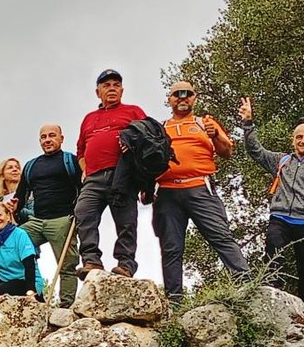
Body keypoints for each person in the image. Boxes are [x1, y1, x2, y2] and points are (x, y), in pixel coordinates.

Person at [238, 97, 304, 321]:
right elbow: (255, 150)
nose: (303, 140)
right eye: (299, 137)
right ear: (293, 140)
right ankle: (269, 316)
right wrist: (248, 123)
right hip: (280, 218)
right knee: (273, 263)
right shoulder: (281, 161)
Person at [153, 81, 249, 299]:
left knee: (221, 236)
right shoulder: (160, 128)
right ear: (170, 99)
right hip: (167, 191)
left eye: (187, 94)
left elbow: (226, 152)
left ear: (194, 98)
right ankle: (174, 302)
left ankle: (247, 286)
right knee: (171, 248)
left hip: (200, 186)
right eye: (177, 94)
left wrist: (215, 134)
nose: (182, 98)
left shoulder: (204, 122)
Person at [73, 69, 149, 276]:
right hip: (94, 177)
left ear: (122, 90)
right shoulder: (89, 118)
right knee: (83, 212)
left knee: (126, 221)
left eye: (116, 84)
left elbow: (149, 140)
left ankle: (125, 264)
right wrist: (85, 170)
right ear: (98, 92)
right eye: (107, 85)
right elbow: (80, 149)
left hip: (123, 175)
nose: (112, 88)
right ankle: (91, 261)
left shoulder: (133, 111)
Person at [20, 123, 83, 304]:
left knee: (67, 265)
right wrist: (15, 213)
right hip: (36, 220)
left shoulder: (70, 160)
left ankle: (66, 304)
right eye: (43, 137)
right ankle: (27, 294)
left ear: (61, 138)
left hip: (62, 219)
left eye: (52, 135)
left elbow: (82, 187)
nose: (47, 140)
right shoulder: (31, 165)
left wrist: (77, 213)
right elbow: (20, 195)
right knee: (13, 245)